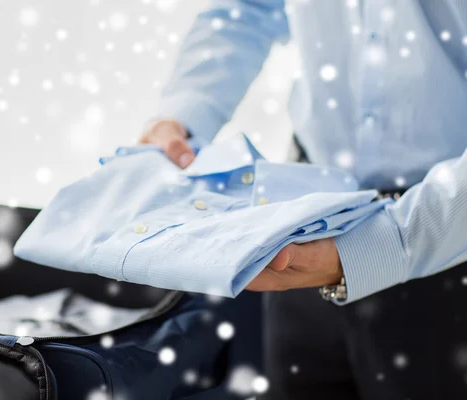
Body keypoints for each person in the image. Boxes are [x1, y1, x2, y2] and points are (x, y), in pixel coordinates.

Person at [139, 1, 467, 399]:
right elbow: (249, 8)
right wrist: (182, 117)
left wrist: (388, 243)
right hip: (310, 217)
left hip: (450, 249)